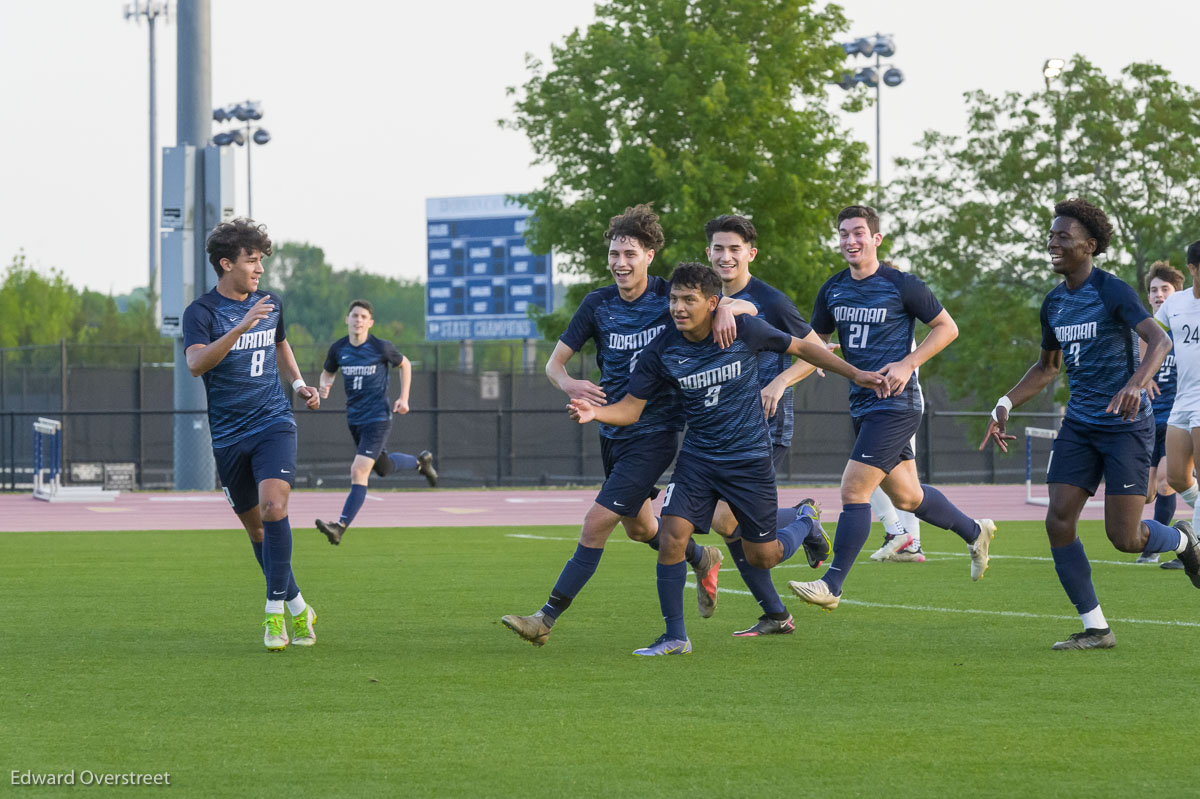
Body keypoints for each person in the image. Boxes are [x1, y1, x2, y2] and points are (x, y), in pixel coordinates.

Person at [568, 262, 885, 655]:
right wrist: (595, 412)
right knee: (671, 535)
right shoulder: (663, 349)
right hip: (699, 458)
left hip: (748, 460)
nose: (678, 308)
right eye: (673, 299)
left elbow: (804, 347)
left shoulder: (743, 331)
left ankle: (804, 521)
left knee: (762, 555)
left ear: (712, 303)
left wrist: (856, 374)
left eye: (689, 300)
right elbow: (632, 409)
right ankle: (675, 636)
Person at [500, 205, 756, 647]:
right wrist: (570, 383)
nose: (621, 262)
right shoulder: (597, 304)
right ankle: (702, 556)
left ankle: (545, 618)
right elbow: (553, 365)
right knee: (640, 529)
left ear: (650, 255)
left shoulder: (668, 297)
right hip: (611, 429)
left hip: (655, 431)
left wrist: (730, 308)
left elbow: (734, 300)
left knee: (595, 523)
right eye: (615, 253)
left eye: (630, 253)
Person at [981, 199, 1197, 651]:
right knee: (1058, 521)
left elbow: (1159, 339)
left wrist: (1138, 383)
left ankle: (1181, 540)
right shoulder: (1055, 303)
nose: (1053, 242)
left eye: (1063, 236)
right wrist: (1004, 402)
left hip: (1123, 426)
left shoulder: (1112, 290)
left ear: (1090, 245)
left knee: (1126, 537)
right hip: (1079, 426)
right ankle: (1096, 628)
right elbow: (1046, 368)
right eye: (1051, 235)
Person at [789, 205, 996, 614]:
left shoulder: (901, 284)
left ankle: (832, 585)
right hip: (862, 403)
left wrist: (908, 363)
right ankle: (975, 531)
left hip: (897, 404)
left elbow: (948, 328)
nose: (851, 240)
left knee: (853, 489)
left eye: (859, 233)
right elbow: (818, 340)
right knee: (907, 496)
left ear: (876, 239)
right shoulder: (832, 289)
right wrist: (819, 359)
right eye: (844, 233)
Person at [182, 218, 321, 652]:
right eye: (252, 260)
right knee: (257, 531)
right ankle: (299, 607)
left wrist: (298, 384)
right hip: (227, 437)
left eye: (262, 260)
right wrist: (241, 326)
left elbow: (280, 343)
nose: (259, 269)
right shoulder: (200, 313)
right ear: (227, 263)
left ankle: (274, 613)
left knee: (274, 506)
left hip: (273, 423)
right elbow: (196, 364)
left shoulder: (270, 302)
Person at [702, 213, 834, 636]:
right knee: (726, 522)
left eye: (734, 249)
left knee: (725, 519)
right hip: (721, 428)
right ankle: (776, 612)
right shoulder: (705, 298)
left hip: (766, 425)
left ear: (750, 254)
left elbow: (816, 351)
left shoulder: (772, 301)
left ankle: (803, 522)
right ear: (708, 253)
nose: (725, 256)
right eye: (718, 248)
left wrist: (779, 380)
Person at [314, 300, 438, 545]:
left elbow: (404, 364)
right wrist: (324, 385)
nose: (358, 320)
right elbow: (328, 371)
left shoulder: (381, 347)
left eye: (363, 317)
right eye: (355, 316)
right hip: (355, 420)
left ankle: (339, 526)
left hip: (378, 418)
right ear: (347, 320)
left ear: (370, 323)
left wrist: (404, 398)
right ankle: (420, 463)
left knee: (358, 470)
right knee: (383, 467)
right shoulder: (339, 349)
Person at [1136, 263, 1188, 564]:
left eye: (1164, 289)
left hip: (1178, 418)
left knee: (1168, 481)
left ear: (1177, 292)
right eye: (1154, 290)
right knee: (1147, 493)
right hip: (1148, 422)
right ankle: (1180, 541)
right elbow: (1133, 373)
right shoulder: (1145, 334)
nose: (1158, 295)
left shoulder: (1187, 328)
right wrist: (1143, 374)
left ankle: (1158, 547)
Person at [1153, 243, 1200, 574]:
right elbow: (1151, 336)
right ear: (1193, 268)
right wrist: (1143, 375)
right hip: (1182, 400)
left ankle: (1195, 549)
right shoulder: (1176, 304)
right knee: (1176, 478)